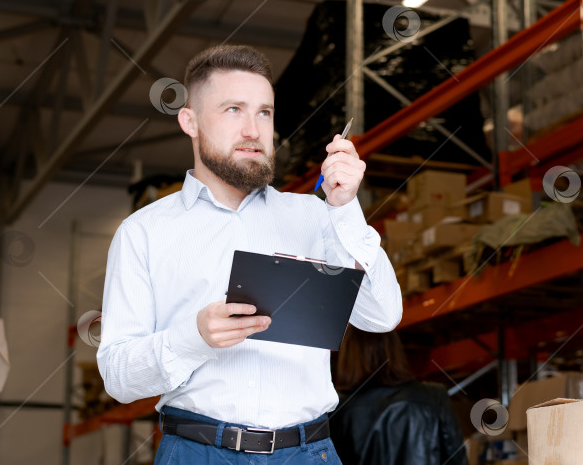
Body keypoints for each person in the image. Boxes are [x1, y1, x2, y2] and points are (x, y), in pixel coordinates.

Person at [96, 44, 403, 464]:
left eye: (264, 113)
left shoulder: (317, 216)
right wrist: (194, 338)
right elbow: (117, 376)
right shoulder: (143, 233)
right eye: (233, 110)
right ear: (190, 121)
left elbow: (381, 315)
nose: (253, 130)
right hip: (198, 454)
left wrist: (346, 208)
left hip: (308, 454)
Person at [330, 326, 467, 465]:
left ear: (347, 355)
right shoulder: (435, 396)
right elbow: (457, 459)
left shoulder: (337, 409)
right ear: (395, 349)